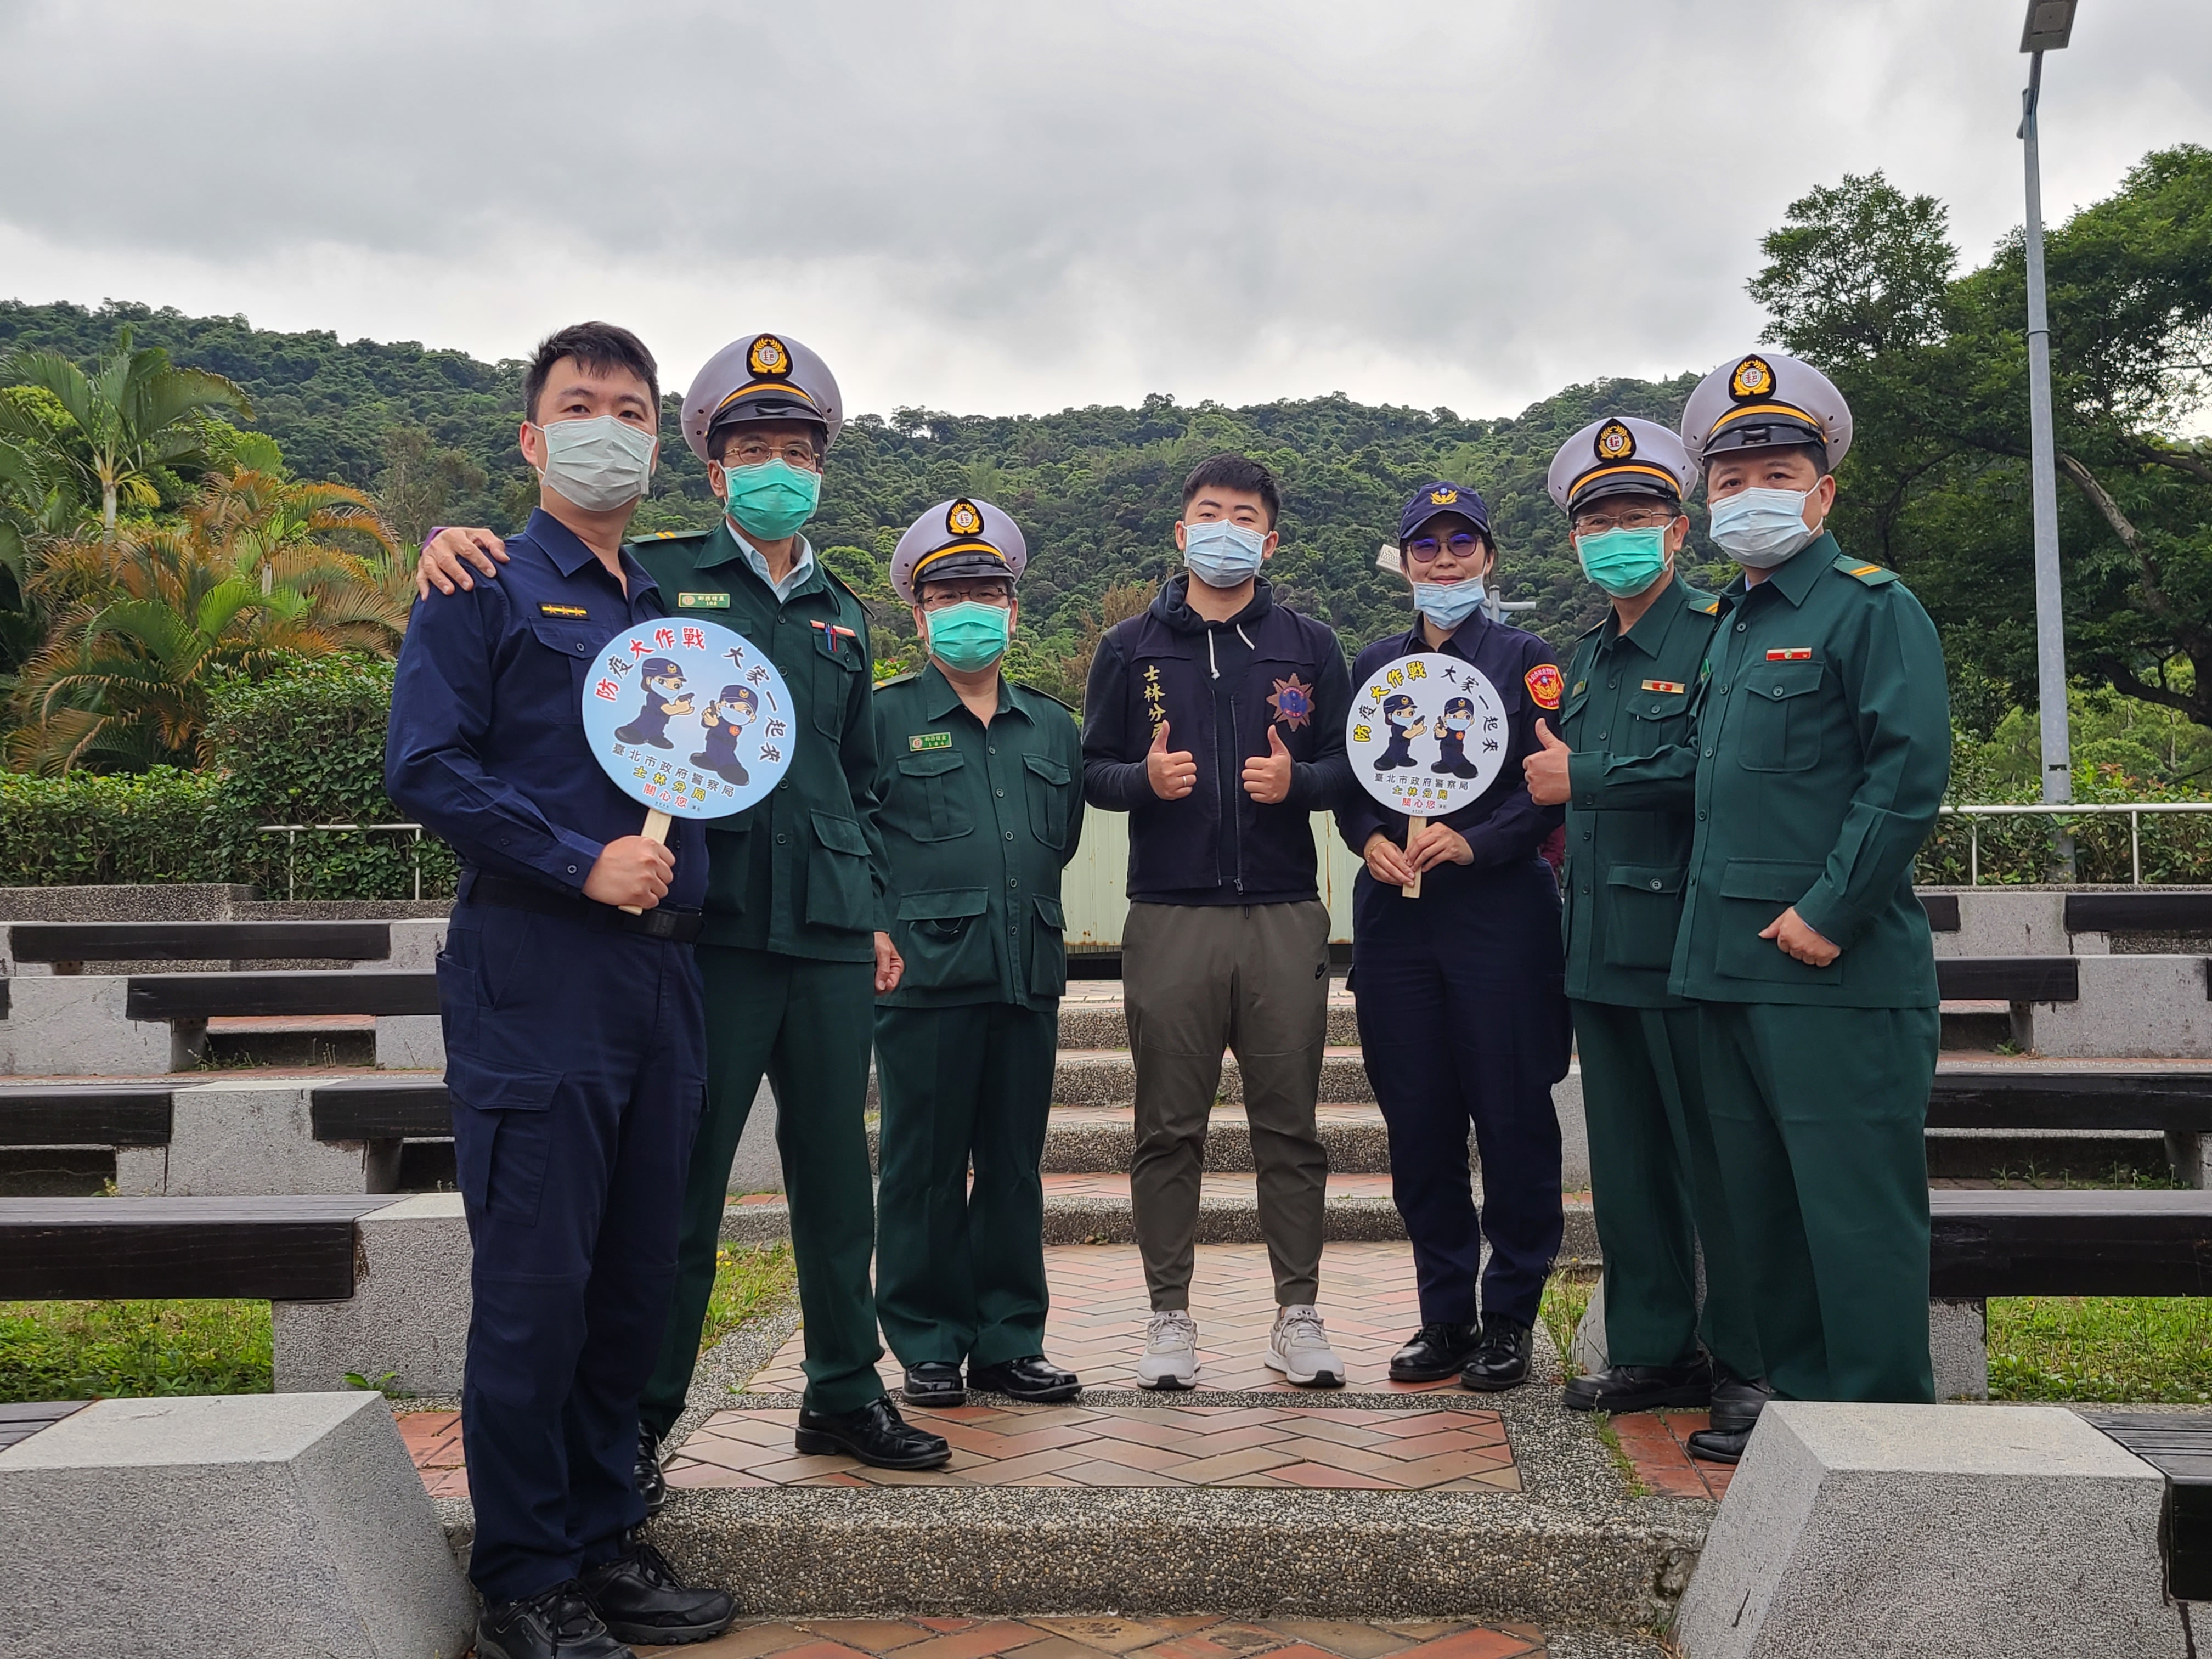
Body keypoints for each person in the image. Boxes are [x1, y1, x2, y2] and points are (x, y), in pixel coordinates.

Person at [415, 331, 948, 1480]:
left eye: (796, 448)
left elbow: (861, 784)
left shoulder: (846, 616)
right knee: (676, 1201)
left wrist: (874, 909)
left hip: (821, 933)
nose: (776, 466)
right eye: (751, 446)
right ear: (709, 465)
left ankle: (844, 1392)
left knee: (835, 1180)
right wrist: (447, 541)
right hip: (692, 932)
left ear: (822, 465)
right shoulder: (661, 579)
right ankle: (643, 1423)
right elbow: (542, 631)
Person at [1526, 352, 1949, 1459]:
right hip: (1720, 964)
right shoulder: (1747, 626)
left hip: (1829, 966)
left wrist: (1829, 910)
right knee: (1765, 1211)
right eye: (1733, 473)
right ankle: (1803, 1416)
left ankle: (1881, 1432)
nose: (1752, 488)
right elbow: (1717, 785)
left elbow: (1906, 776)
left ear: (1825, 489)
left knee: (1852, 1210)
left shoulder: (1870, 609)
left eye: (1776, 467)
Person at [387, 321, 735, 1659]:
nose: (608, 426)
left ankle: (601, 1542)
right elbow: (426, 765)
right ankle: (525, 1577)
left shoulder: (665, 613)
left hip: (664, 981)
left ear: (658, 444)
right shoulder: (477, 583)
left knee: (632, 1279)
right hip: (537, 968)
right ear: (533, 439)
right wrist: (576, 859)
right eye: (579, 406)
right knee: (537, 1284)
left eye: (632, 410)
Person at [1080, 452, 1355, 1389]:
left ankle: (1299, 1313)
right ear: (1182, 530)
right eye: (1209, 512)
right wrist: (1144, 782)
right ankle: (1169, 1320)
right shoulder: (1129, 648)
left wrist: (1298, 784)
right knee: (1167, 1126)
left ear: (1270, 540)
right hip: (1171, 913)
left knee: (1292, 1126)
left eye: (1245, 516)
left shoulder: (1309, 645)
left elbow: (1346, 767)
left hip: (1283, 911)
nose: (1225, 528)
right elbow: (1093, 770)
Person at [1542, 416, 1768, 1434]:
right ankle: (1652, 1349)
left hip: (1684, 948)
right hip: (1597, 952)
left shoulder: (1721, 633)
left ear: (1679, 531)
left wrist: (1582, 775)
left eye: (1637, 516)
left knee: (1718, 1165)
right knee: (1627, 1171)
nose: (1616, 535)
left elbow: (1716, 771)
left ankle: (1749, 1360)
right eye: (1599, 521)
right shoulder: (1586, 659)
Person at [1337, 483, 1572, 1393]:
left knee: (1513, 1117)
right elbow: (1350, 782)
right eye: (1425, 548)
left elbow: (1540, 784)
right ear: (1404, 562)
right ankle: (1445, 1315)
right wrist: (1369, 841)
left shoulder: (1527, 658)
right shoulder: (1372, 666)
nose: (1443, 561)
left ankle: (1510, 1315)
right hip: (1396, 924)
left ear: (1488, 557)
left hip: (1502, 918)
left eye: (1461, 545)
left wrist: (1476, 839)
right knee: (1420, 1124)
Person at [871, 497, 1086, 1407]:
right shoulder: (878, 719)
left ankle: (1008, 1340)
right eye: (950, 593)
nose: (971, 608)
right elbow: (855, 833)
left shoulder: (1054, 728)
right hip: (920, 975)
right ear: (919, 615)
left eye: (987, 591)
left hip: (1023, 971)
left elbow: (1059, 841)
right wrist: (874, 925)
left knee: (1012, 1164)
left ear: (1012, 608)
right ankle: (926, 1340)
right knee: (920, 1166)